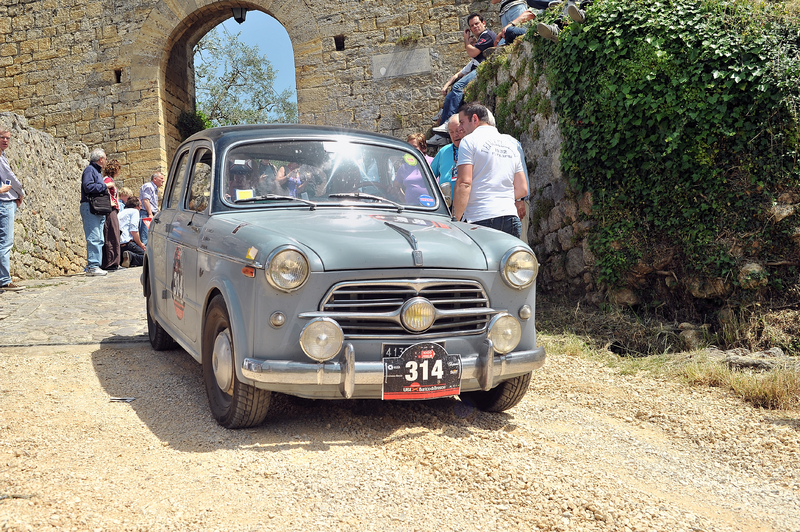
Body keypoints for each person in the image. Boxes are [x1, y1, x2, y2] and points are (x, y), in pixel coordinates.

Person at [454, 102, 528, 238]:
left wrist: (455, 220)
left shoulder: (469, 141)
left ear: (475, 119)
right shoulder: (511, 144)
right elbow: (522, 189)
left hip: (480, 218)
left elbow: (464, 183)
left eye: (462, 122)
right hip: (510, 218)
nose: (460, 128)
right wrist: (500, 197)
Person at [429, 14, 497, 146]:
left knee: (458, 87)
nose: (475, 27)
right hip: (478, 68)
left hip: (485, 68)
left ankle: (448, 122)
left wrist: (466, 41)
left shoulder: (487, 35)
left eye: (477, 23)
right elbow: (459, 73)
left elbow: (472, 52)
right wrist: (445, 86)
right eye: (472, 25)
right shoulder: (476, 53)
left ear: (484, 23)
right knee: (450, 95)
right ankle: (442, 132)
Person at [0, 127, 26, 291]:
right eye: (3, 137)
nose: (6, 140)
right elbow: (10, 177)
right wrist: (21, 192)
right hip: (4, 202)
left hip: (6, 200)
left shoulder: (2, 156)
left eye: (8, 138)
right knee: (6, 242)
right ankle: (4, 280)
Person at [80, 148, 112, 276]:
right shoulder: (90, 170)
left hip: (98, 208)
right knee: (94, 237)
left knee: (99, 238)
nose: (106, 161)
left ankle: (96, 265)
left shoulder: (97, 172)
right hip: (90, 207)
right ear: (100, 159)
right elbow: (88, 187)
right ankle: (92, 266)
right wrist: (105, 186)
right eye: (105, 158)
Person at [396, 133, 435, 206]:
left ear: (423, 148)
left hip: (430, 208)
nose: (411, 151)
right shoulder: (404, 167)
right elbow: (396, 185)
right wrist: (403, 200)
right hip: (412, 208)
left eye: (414, 147)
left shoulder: (432, 162)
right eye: (409, 148)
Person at [430, 115, 465, 190]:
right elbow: (429, 177)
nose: (455, 135)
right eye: (451, 132)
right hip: (446, 200)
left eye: (458, 130)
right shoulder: (443, 151)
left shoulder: (472, 150)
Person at [101, 159, 122, 271]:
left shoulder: (108, 179)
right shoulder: (108, 180)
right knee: (112, 235)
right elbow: (103, 190)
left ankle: (112, 261)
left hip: (112, 209)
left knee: (113, 234)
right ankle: (112, 262)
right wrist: (109, 202)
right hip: (110, 210)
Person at [118, 197, 146, 268]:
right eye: (140, 205)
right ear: (137, 206)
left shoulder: (121, 212)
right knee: (147, 258)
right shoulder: (135, 211)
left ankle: (126, 258)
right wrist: (141, 244)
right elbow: (134, 231)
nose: (140, 208)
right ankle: (131, 256)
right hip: (128, 243)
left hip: (119, 245)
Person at [138, 171, 164, 246]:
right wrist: (150, 214)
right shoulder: (149, 186)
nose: (163, 180)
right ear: (155, 179)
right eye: (161, 178)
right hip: (146, 213)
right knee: (145, 237)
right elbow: (145, 200)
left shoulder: (154, 188)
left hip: (151, 214)